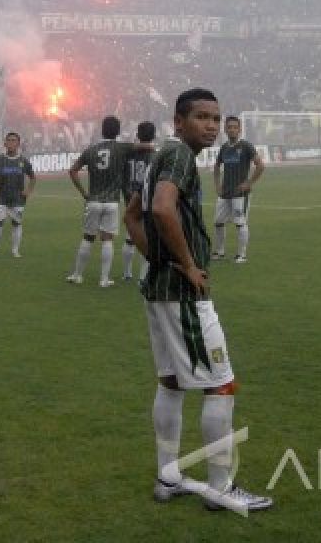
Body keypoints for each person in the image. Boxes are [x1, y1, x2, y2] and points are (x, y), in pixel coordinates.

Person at [124, 88, 273, 512]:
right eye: (202, 117)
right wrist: (187, 264)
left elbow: (132, 214)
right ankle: (221, 488)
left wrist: (155, 257)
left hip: (159, 290)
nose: (210, 125)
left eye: (215, 117)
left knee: (171, 381)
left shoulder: (163, 157)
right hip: (183, 293)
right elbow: (161, 210)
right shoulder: (179, 157)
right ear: (179, 121)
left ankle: (167, 476)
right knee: (221, 384)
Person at [67, 116, 135, 287]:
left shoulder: (91, 150)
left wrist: (84, 192)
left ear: (102, 129)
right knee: (107, 240)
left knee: (88, 238)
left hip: (94, 200)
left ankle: (77, 275)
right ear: (118, 131)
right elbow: (146, 147)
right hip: (112, 202)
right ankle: (104, 279)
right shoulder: (122, 148)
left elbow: (73, 170)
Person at [212, 116, 265, 264]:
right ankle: (220, 252)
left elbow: (260, 165)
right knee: (218, 222)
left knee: (240, 223)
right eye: (229, 127)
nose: (232, 129)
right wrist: (217, 185)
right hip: (225, 193)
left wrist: (249, 182)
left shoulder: (246, 146)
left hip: (240, 194)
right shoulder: (224, 147)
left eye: (235, 127)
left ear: (240, 129)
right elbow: (216, 167)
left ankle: (241, 255)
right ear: (225, 129)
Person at [0, 132, 36, 261]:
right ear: (5, 143)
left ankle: (15, 250)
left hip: (18, 199)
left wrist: (28, 191)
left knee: (16, 223)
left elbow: (33, 177)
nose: (11, 143)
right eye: (9, 140)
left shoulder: (23, 161)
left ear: (18, 143)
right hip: (1, 198)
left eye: (14, 140)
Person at [121, 121, 157, 282]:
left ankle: (127, 273)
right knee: (147, 239)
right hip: (146, 201)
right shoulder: (155, 156)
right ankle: (144, 276)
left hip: (129, 199)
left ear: (138, 134)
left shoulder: (128, 153)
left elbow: (123, 175)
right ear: (154, 135)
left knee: (130, 238)